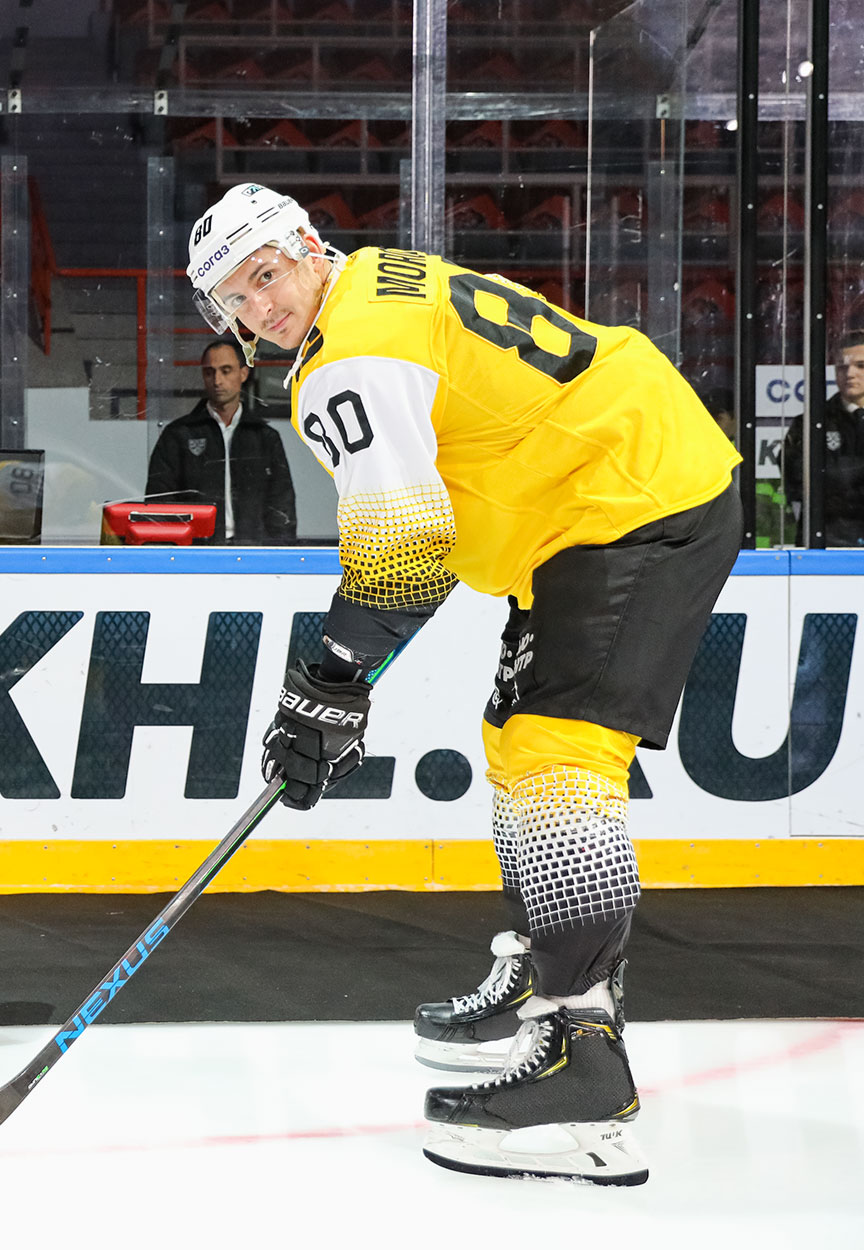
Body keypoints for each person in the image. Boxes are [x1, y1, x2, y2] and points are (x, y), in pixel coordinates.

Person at [186, 183, 739, 1185]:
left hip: (622, 496)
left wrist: (329, 680)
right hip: (585, 491)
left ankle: (583, 1068)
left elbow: (402, 549)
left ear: (306, 246)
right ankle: (546, 964)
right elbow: (421, 537)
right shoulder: (367, 285)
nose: (259, 308)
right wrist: (338, 684)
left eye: (265, 274)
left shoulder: (347, 356)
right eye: (235, 298)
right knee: (511, 740)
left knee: (554, 759)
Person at [144, 336, 296, 543]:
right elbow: (159, 503)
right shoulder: (179, 435)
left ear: (243, 373)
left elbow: (282, 506)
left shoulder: (264, 438)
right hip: (194, 556)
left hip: (254, 556)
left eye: (226, 371)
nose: (217, 380)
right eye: (209, 372)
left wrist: (279, 557)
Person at [782, 329, 864, 546]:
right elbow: (801, 482)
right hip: (827, 546)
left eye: (860, 366)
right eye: (842, 367)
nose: (850, 374)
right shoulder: (809, 423)